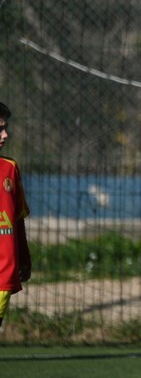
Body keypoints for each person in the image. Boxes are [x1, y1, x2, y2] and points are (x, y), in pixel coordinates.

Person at [0, 102, 31, 330]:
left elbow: (17, 219)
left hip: (3, 273)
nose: (5, 135)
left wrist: (24, 257)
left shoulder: (10, 168)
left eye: (5, 128)